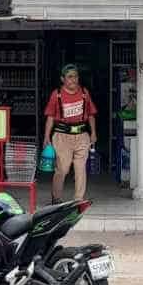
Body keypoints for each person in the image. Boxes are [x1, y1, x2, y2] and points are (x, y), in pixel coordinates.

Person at [43, 64, 98, 204]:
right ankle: (56, 198)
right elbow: (50, 116)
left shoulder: (84, 93)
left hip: (82, 135)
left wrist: (93, 133)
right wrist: (46, 136)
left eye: (76, 76)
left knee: (80, 169)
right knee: (63, 169)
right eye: (70, 77)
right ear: (63, 79)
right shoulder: (57, 94)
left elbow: (91, 114)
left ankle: (79, 199)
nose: (74, 80)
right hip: (62, 136)